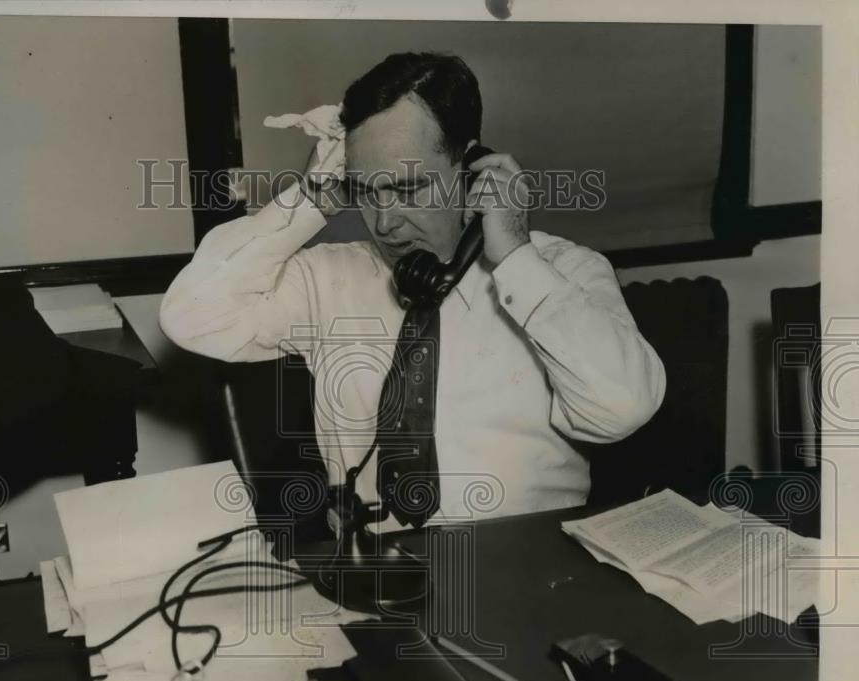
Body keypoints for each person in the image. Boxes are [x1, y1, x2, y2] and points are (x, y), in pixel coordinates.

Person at [160, 52, 665, 529]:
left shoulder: (563, 272)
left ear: (470, 169)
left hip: (528, 573)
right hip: (374, 575)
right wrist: (312, 199)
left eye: (407, 189)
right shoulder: (328, 278)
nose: (385, 222)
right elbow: (192, 317)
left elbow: (622, 410)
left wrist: (514, 256)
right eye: (365, 190)